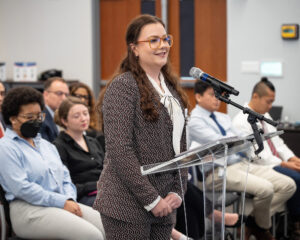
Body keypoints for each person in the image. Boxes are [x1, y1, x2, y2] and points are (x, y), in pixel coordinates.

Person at [93, 14, 189, 239]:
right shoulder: (123, 87)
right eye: (153, 40)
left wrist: (178, 189)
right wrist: (151, 199)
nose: (163, 45)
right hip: (127, 204)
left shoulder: (172, 90)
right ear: (134, 48)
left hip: (165, 203)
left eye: (166, 39)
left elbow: (182, 148)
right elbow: (120, 150)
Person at [187, 80, 296, 240]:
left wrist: (236, 142)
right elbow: (223, 144)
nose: (217, 99)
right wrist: (235, 141)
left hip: (240, 163)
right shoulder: (194, 121)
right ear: (198, 96)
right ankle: (262, 230)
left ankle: (251, 222)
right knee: (266, 189)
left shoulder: (223, 117)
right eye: (212, 95)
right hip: (217, 173)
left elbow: (242, 142)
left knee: (288, 185)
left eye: (219, 95)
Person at [0, 87, 105, 240]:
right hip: (29, 210)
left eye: (39, 116)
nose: (36, 121)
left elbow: (65, 177)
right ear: (13, 118)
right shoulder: (6, 147)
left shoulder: (46, 145)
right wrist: (62, 201)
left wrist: (69, 199)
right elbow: (21, 188)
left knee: (109, 228)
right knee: (92, 235)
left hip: (61, 203)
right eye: (29, 116)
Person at [233, 77, 300, 240]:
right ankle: (295, 224)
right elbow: (258, 155)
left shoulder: (263, 114)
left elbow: (278, 143)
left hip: (272, 162)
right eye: (268, 102)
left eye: (272, 102)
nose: (270, 106)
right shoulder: (241, 121)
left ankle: (255, 222)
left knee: (296, 173)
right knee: (297, 179)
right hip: (258, 165)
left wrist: (293, 158)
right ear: (255, 97)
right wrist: (286, 164)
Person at [53, 96, 104, 207]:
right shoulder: (59, 146)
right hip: (84, 197)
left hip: (105, 191)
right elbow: (64, 184)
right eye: (77, 116)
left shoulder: (93, 142)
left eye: (85, 114)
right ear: (64, 121)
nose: (83, 119)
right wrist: (94, 185)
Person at [40, 77, 69, 142]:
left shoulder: (62, 117)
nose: (64, 98)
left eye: (66, 95)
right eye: (59, 93)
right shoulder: (41, 119)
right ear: (46, 95)